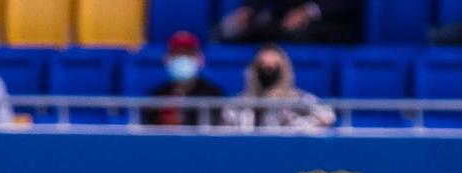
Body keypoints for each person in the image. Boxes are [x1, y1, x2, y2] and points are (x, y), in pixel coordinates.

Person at [224, 43, 336, 129]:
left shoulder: (299, 99)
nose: (268, 71)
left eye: (273, 67)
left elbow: (328, 117)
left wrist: (294, 124)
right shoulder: (238, 104)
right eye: (262, 66)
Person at [142, 31, 226, 129]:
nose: (182, 58)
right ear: (166, 59)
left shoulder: (214, 96)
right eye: (177, 53)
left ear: (200, 59)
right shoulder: (155, 98)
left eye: (188, 53)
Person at [218, 0, 363, 45]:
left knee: (300, 33)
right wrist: (249, 10)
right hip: (286, 22)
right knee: (238, 31)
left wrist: (308, 11)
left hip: (330, 24)